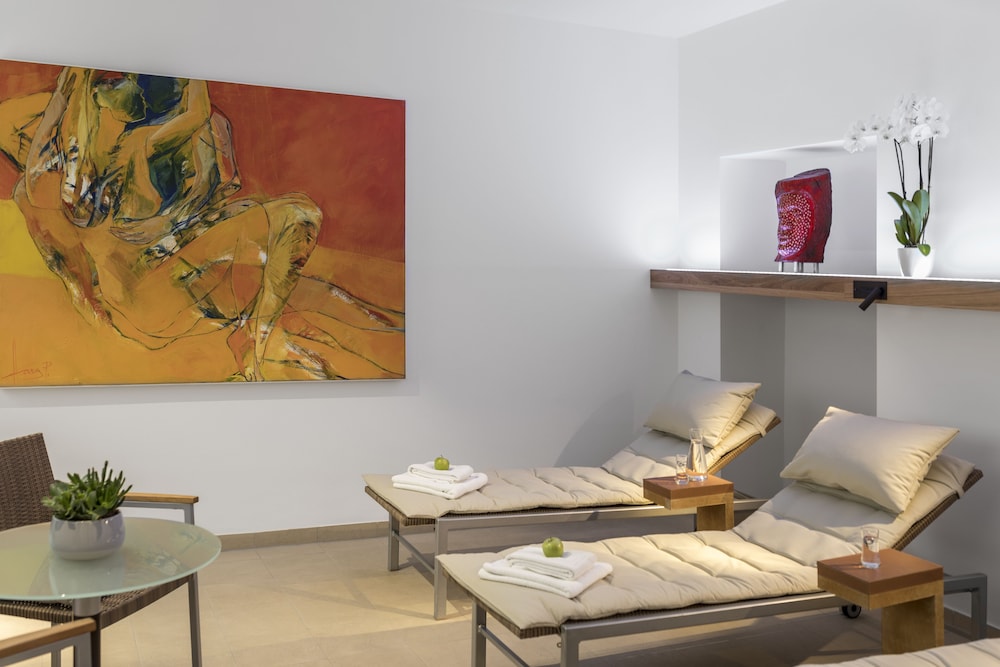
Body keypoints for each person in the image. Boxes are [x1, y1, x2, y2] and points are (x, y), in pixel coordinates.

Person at [6, 66, 323, 381]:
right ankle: (258, 336)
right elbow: (197, 115)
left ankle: (256, 336)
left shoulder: (80, 168)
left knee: (27, 192)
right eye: (117, 82)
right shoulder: (139, 145)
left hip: (153, 290)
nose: (137, 88)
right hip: (152, 300)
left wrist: (65, 93)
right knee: (299, 216)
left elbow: (31, 162)